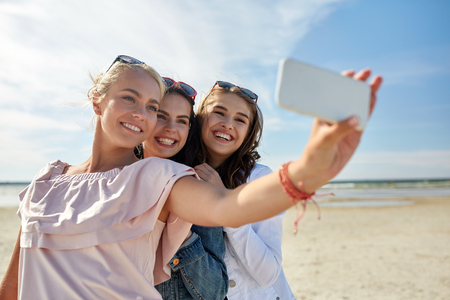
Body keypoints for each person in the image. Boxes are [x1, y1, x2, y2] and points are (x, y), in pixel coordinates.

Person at [0, 55, 382, 300]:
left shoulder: (158, 175)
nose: (143, 114)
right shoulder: (46, 181)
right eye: (130, 98)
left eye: (152, 106)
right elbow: (13, 284)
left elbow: (230, 206)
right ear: (97, 98)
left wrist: (307, 171)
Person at [193, 81, 295, 299]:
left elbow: (268, 274)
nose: (228, 124)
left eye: (240, 120)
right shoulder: (181, 175)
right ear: (200, 117)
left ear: (249, 132)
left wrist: (226, 204)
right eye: (219, 113)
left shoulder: (260, 179)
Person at [138, 78, 229, 300]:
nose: (170, 128)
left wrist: (179, 233)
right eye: (161, 116)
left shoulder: (196, 189)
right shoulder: (113, 180)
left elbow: (216, 291)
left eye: (181, 121)